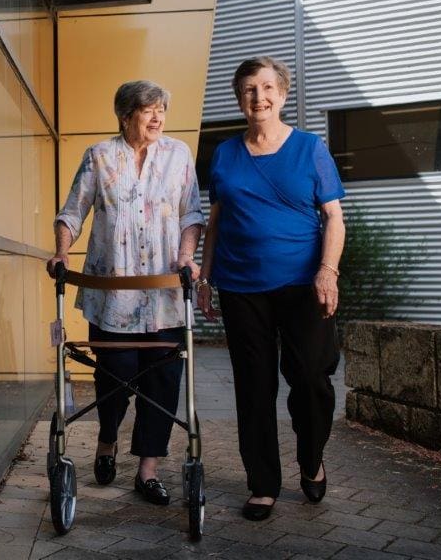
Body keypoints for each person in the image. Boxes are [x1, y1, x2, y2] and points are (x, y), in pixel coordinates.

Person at [197, 56, 345, 521]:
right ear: (239, 98)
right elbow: (215, 222)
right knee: (253, 387)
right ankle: (262, 483)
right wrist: (205, 278)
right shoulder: (224, 154)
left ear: (282, 94)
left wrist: (327, 271)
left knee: (310, 378)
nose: (258, 97)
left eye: (266, 88)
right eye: (248, 90)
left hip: (304, 285)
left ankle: (311, 458)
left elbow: (334, 217)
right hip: (242, 287)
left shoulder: (310, 148)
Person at [47, 80, 203, 505]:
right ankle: (107, 435)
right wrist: (62, 252)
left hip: (165, 296)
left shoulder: (178, 156)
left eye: (161, 110)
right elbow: (72, 211)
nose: (157, 118)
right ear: (125, 115)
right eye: (148, 110)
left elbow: (192, 213)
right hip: (113, 295)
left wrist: (187, 257)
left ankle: (148, 471)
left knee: (164, 378)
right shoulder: (99, 157)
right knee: (115, 377)